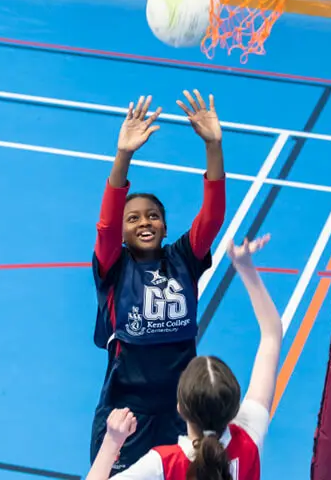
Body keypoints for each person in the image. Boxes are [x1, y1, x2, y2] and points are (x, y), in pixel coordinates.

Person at [91, 91, 226, 473]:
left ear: (165, 227)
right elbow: (104, 223)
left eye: (152, 216)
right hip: (126, 411)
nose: (144, 222)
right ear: (121, 232)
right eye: (132, 218)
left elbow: (213, 217)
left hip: (180, 409)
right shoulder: (113, 266)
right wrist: (124, 155)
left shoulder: (184, 258)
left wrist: (213, 146)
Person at [87, 235, 282, 480]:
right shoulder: (250, 434)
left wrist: (112, 443)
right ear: (234, 409)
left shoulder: (162, 463)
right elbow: (272, 335)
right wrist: (246, 268)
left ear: (180, 409)